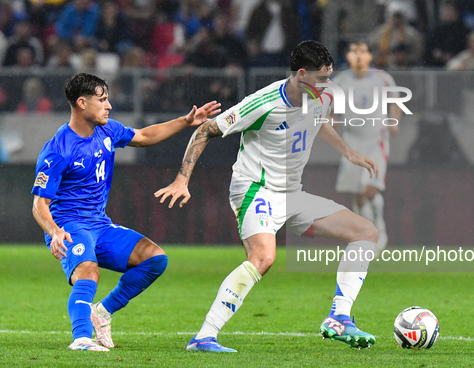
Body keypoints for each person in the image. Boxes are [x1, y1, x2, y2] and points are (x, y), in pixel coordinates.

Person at [155, 40, 379, 352]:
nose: (327, 84)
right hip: (255, 190)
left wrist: (350, 153)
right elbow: (205, 130)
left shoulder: (322, 95)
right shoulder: (262, 103)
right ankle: (204, 337)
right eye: (322, 77)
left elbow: (318, 123)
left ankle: (339, 317)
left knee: (366, 232)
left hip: (292, 194)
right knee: (263, 258)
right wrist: (182, 178)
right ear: (302, 75)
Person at [31, 73, 220, 352]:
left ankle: (102, 312)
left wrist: (185, 121)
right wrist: (55, 231)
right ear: (82, 103)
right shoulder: (58, 149)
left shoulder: (107, 130)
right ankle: (82, 338)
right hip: (69, 226)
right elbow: (38, 205)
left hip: (100, 225)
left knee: (155, 259)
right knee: (88, 271)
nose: (109, 106)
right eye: (103, 100)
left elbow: (143, 136)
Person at [332, 41, 401, 255]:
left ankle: (378, 230)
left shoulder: (382, 78)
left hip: (376, 141)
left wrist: (394, 121)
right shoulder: (341, 81)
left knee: (370, 189)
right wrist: (332, 121)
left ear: (370, 56)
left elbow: (396, 101)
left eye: (363, 51)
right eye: (354, 51)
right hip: (352, 143)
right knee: (358, 195)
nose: (359, 55)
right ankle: (366, 234)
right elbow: (330, 107)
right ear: (348, 56)